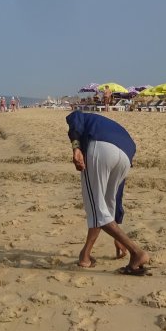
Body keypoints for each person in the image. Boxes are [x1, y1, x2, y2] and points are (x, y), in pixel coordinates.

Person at [65, 110, 151, 275]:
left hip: (100, 147)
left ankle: (137, 252)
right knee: (103, 205)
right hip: (126, 154)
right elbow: (115, 198)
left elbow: (75, 117)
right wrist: (116, 235)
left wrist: (76, 148)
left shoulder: (84, 117)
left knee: (96, 208)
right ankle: (85, 256)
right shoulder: (108, 125)